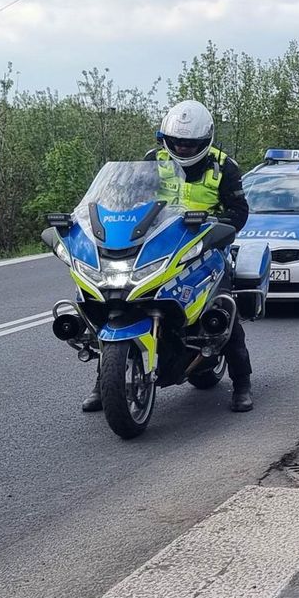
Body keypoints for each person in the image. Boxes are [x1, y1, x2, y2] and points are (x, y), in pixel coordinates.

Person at [81, 99, 255, 413]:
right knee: (117, 301)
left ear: (205, 142)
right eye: (176, 143)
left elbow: (239, 212)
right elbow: (126, 200)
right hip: (158, 245)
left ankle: (242, 383)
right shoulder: (153, 160)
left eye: (190, 145)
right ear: (165, 139)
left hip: (206, 246)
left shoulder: (224, 166)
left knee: (223, 311)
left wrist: (217, 226)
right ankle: (103, 383)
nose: (183, 150)